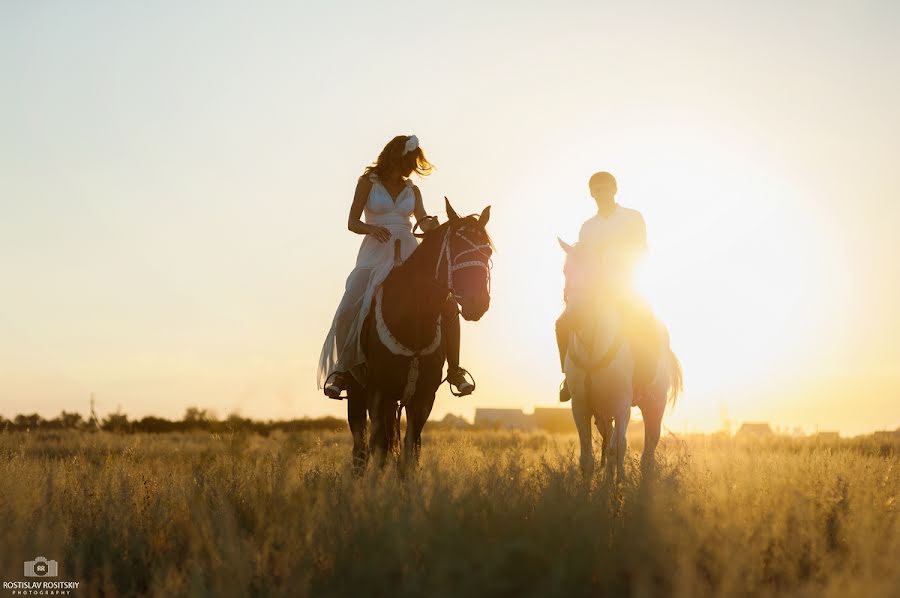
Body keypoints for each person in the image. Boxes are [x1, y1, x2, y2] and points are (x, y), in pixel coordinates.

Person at [318, 135, 475, 399]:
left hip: (410, 252)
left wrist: (430, 225)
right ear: (395, 157)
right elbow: (352, 222)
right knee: (348, 306)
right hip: (374, 254)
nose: (411, 168)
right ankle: (342, 369)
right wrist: (372, 228)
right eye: (409, 162)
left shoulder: (412, 189)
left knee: (446, 303)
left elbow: (421, 219)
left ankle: (455, 370)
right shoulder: (367, 183)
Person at [557, 171, 659, 402]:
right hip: (594, 292)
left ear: (615, 189)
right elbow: (582, 260)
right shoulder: (587, 227)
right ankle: (569, 378)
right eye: (597, 190)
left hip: (626, 287)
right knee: (562, 323)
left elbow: (642, 249)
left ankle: (644, 380)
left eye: (605, 188)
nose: (601, 193)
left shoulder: (633, 217)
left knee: (645, 322)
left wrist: (615, 257)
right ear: (591, 194)